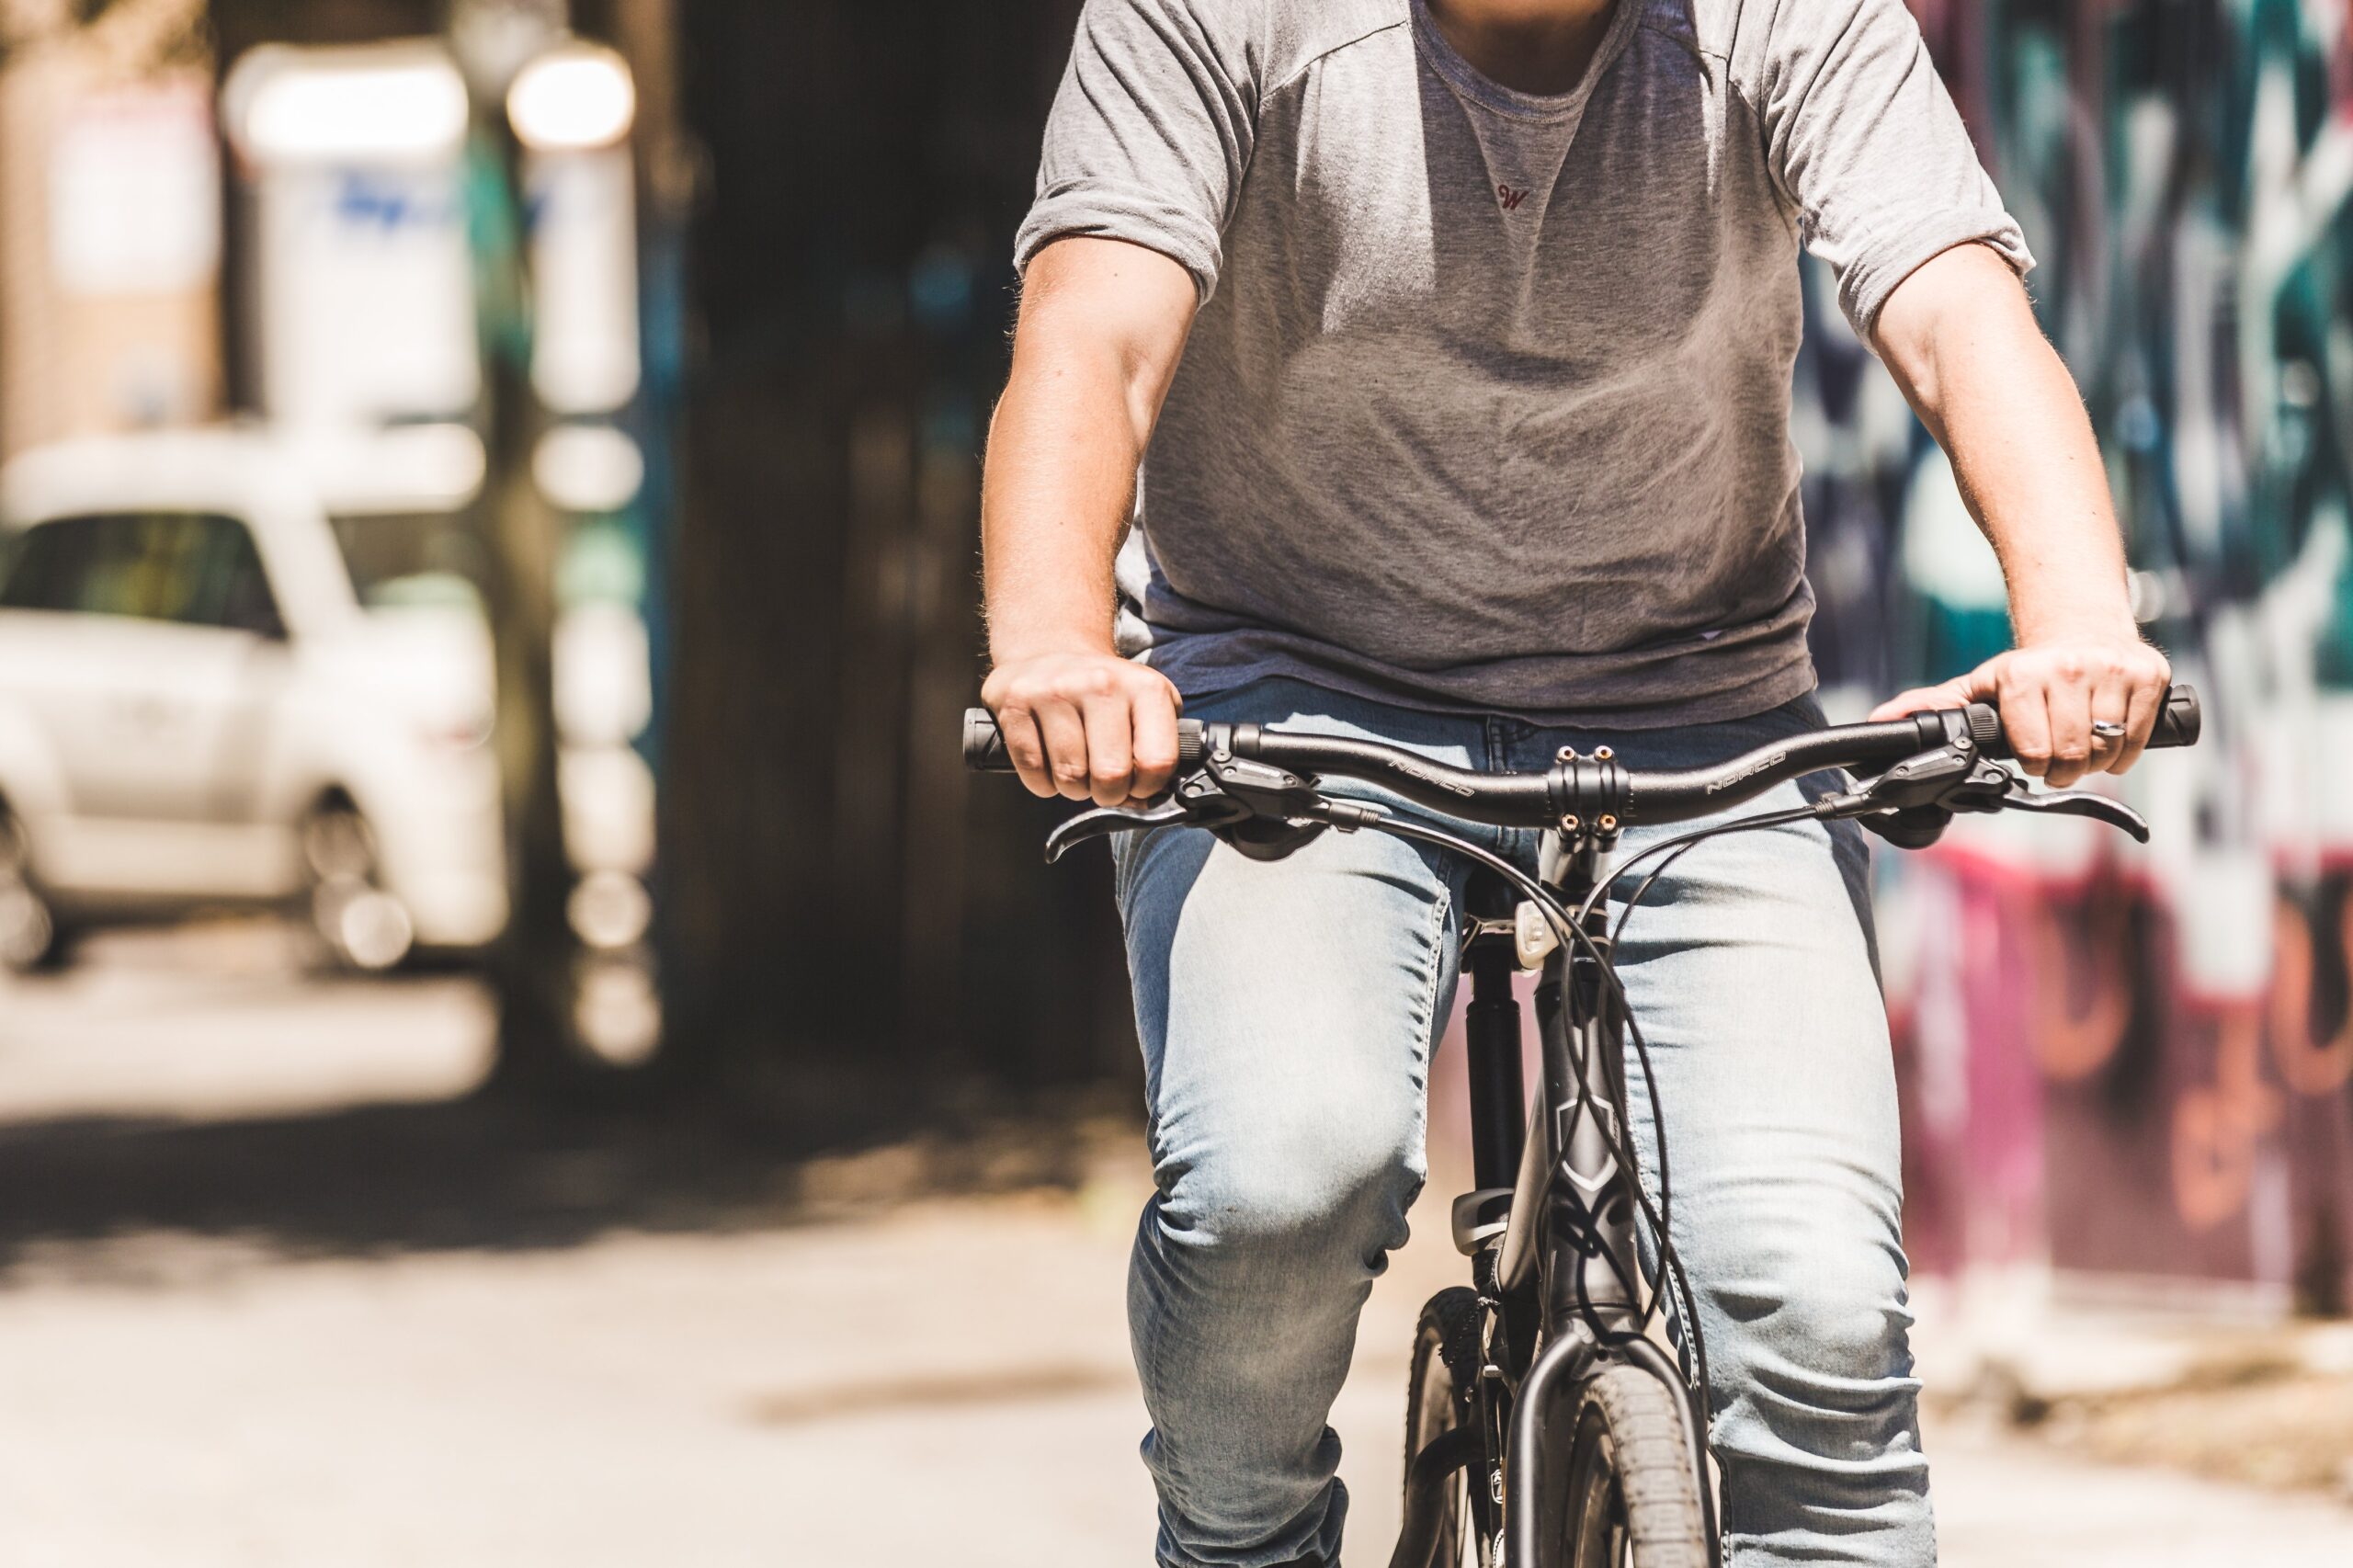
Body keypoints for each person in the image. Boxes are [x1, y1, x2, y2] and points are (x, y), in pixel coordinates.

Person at [977, 2, 2171, 1563]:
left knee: (1811, 1310)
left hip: (1693, 696)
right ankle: (1238, 1536)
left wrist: (2078, 617)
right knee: (1284, 1179)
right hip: (1295, 688)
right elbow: (1096, 335)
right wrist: (1061, 648)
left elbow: (1959, 315)